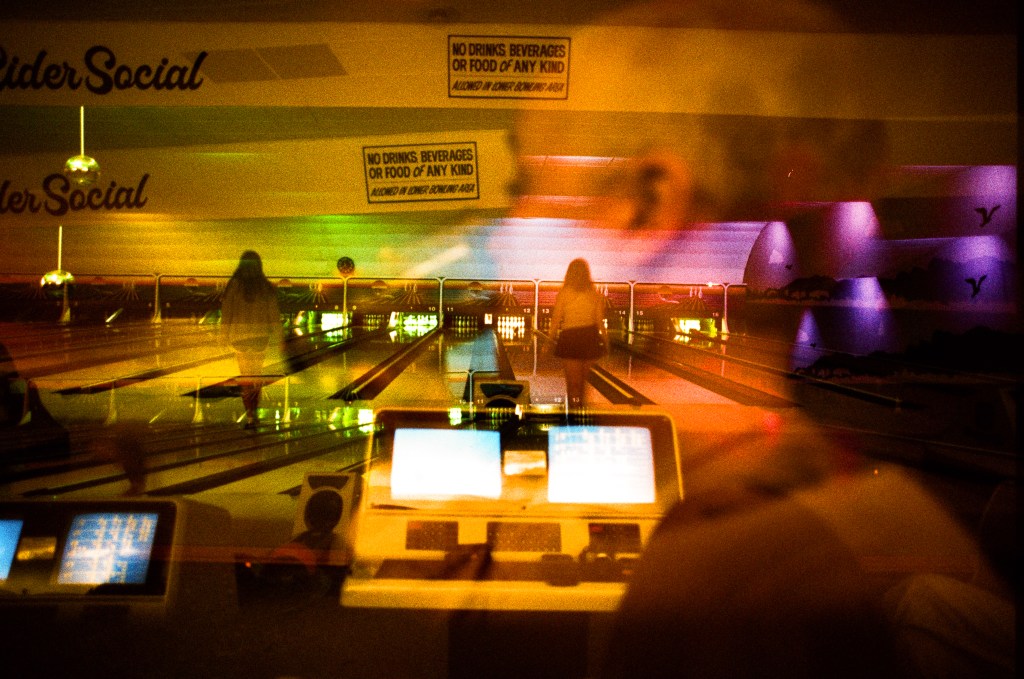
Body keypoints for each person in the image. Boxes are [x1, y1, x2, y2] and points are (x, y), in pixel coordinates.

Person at [220, 250, 282, 428]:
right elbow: (274, 316)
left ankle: (249, 415)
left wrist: (223, 337)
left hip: (239, 339)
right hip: (259, 339)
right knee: (256, 377)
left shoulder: (233, 286)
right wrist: (280, 339)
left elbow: (227, 314)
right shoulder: (265, 287)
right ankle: (254, 412)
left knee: (245, 378)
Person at [548, 258, 607, 407]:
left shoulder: (564, 293)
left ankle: (573, 413)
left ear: (569, 273)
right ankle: (579, 411)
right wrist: (607, 342)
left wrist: (548, 341)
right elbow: (600, 322)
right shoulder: (594, 294)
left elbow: (555, 320)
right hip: (589, 338)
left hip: (570, 338)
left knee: (573, 384)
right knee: (581, 386)